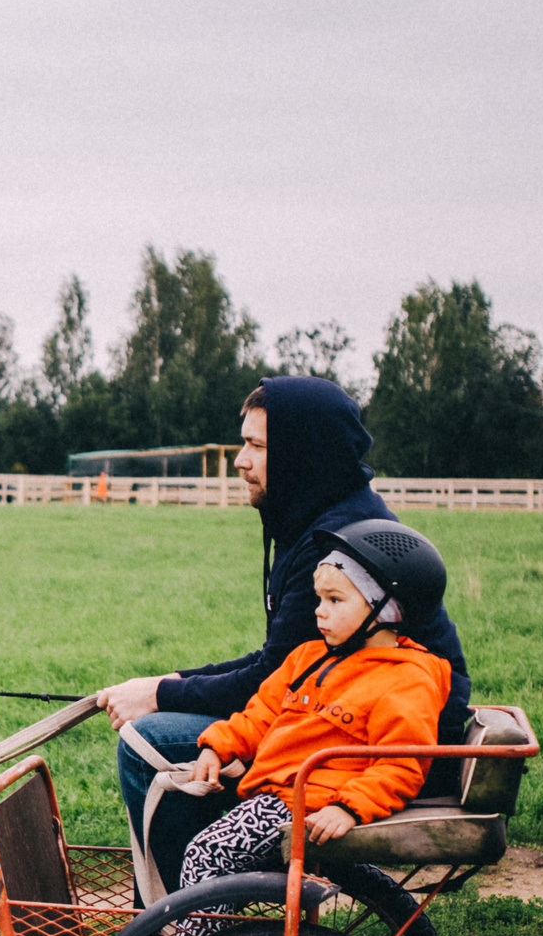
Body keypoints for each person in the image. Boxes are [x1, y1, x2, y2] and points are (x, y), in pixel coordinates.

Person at [97, 376, 473, 901]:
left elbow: (271, 677)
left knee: (149, 742)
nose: (239, 460)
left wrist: (159, 694)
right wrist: (171, 681)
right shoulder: (320, 519)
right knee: (172, 731)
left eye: (256, 445)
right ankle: (193, 920)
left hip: (368, 741)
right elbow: (284, 665)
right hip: (343, 716)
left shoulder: (341, 546)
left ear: (302, 453)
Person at [168, 525, 453, 899]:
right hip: (273, 794)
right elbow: (261, 713)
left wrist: (349, 809)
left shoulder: (406, 680)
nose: (319, 611)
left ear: (386, 608)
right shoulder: (308, 658)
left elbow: (401, 763)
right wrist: (217, 748)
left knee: (207, 854)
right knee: (192, 833)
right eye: (320, 599)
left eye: (335, 600)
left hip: (310, 803)